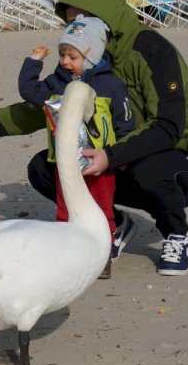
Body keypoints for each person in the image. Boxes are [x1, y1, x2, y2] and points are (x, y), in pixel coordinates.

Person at [0, 0, 188, 277]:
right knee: (45, 168)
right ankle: (113, 224)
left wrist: (111, 155)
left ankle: (175, 233)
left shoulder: (152, 50)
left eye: (84, 17)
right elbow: (44, 107)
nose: (77, 26)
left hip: (179, 159)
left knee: (148, 172)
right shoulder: (77, 56)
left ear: (107, 15)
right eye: (71, 21)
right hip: (110, 155)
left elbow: (170, 126)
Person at [18, 14, 135, 278]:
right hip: (66, 162)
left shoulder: (111, 85)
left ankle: (102, 256)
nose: (65, 62)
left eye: (73, 57)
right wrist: (33, 62)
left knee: (102, 208)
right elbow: (30, 92)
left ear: (91, 55)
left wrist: (120, 156)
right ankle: (65, 252)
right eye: (62, 55)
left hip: (100, 163)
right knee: (65, 207)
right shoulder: (57, 82)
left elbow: (125, 120)